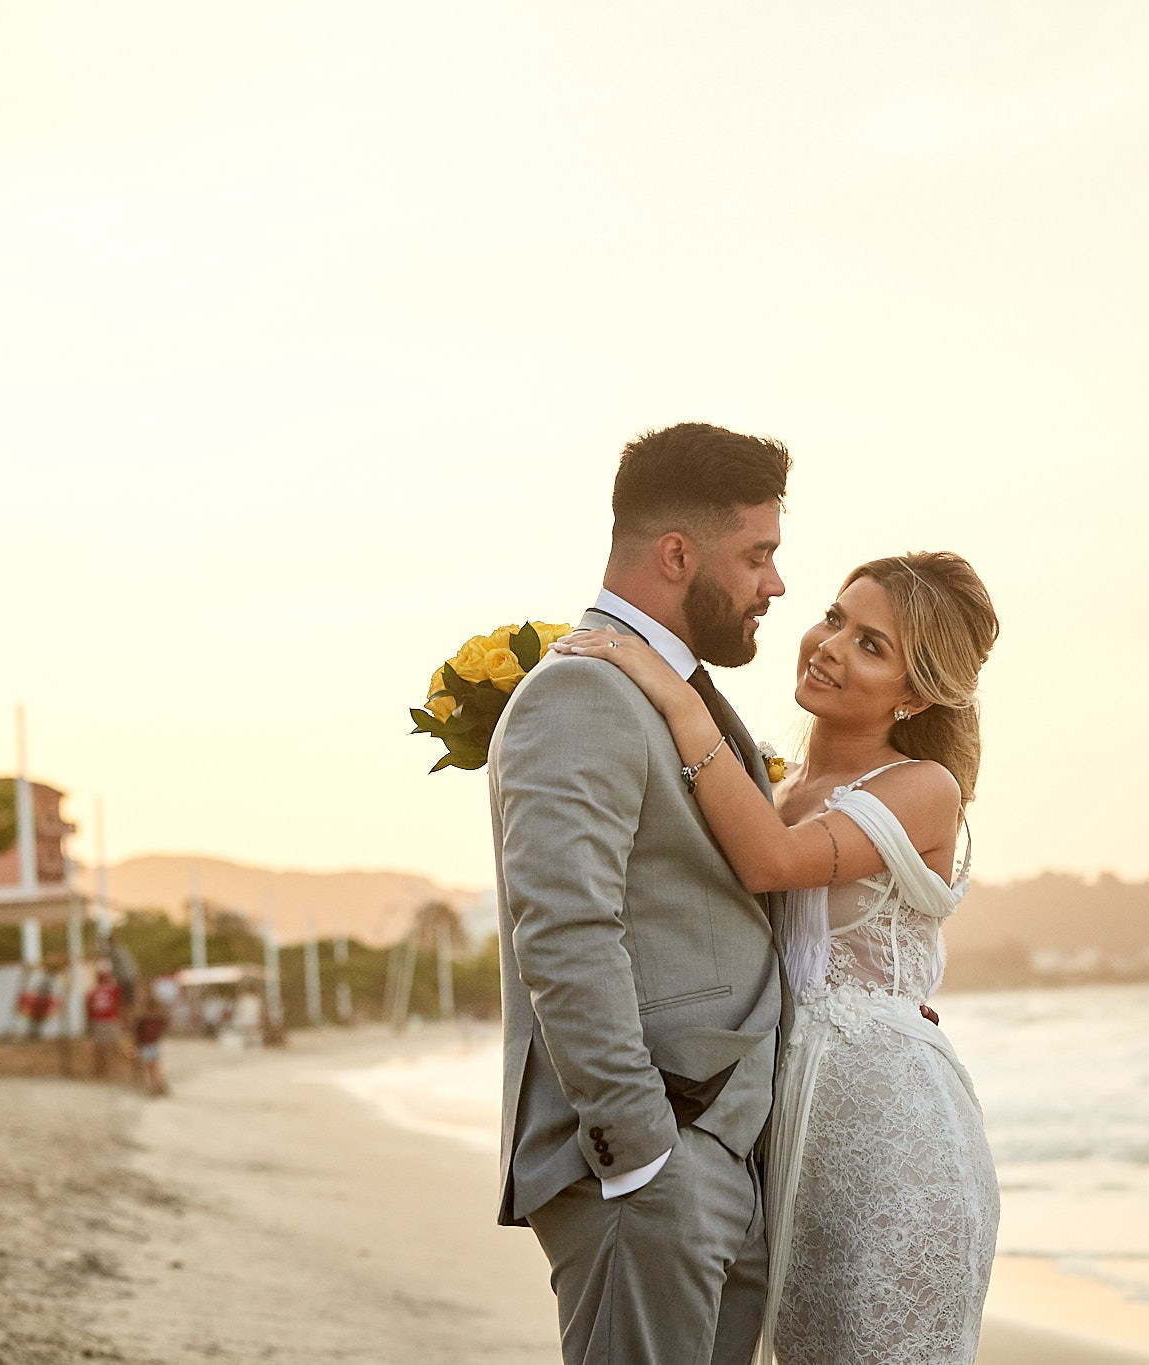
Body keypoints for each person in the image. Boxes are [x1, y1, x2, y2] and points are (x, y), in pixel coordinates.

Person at [557, 549, 1002, 1364]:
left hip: (885, 1123)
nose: (830, 645)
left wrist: (674, 690)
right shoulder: (771, 785)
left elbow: (774, 863)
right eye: (836, 618)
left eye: (872, 644)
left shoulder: (923, 785)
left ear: (916, 694)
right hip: (773, 1113)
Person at [489, 423, 792, 1365]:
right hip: (652, 1162)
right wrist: (644, 1155)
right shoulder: (578, 695)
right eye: (758, 555)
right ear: (676, 554)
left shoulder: (664, 691)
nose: (774, 585)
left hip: (714, 1155)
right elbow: (566, 929)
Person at [86, 966, 125, 1079]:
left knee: (102, 1048)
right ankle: (107, 1070)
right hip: (108, 1021)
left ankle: (103, 1070)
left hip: (100, 1021)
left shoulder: (92, 991)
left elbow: (88, 1009)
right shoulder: (113, 989)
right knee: (109, 1046)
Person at [133, 987, 171, 1098]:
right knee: (155, 1067)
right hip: (154, 1043)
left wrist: (136, 1045)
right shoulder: (157, 1017)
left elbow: (137, 1032)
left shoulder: (143, 1018)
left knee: (147, 1068)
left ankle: (152, 1088)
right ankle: (159, 1086)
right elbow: (164, 1024)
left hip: (146, 1044)